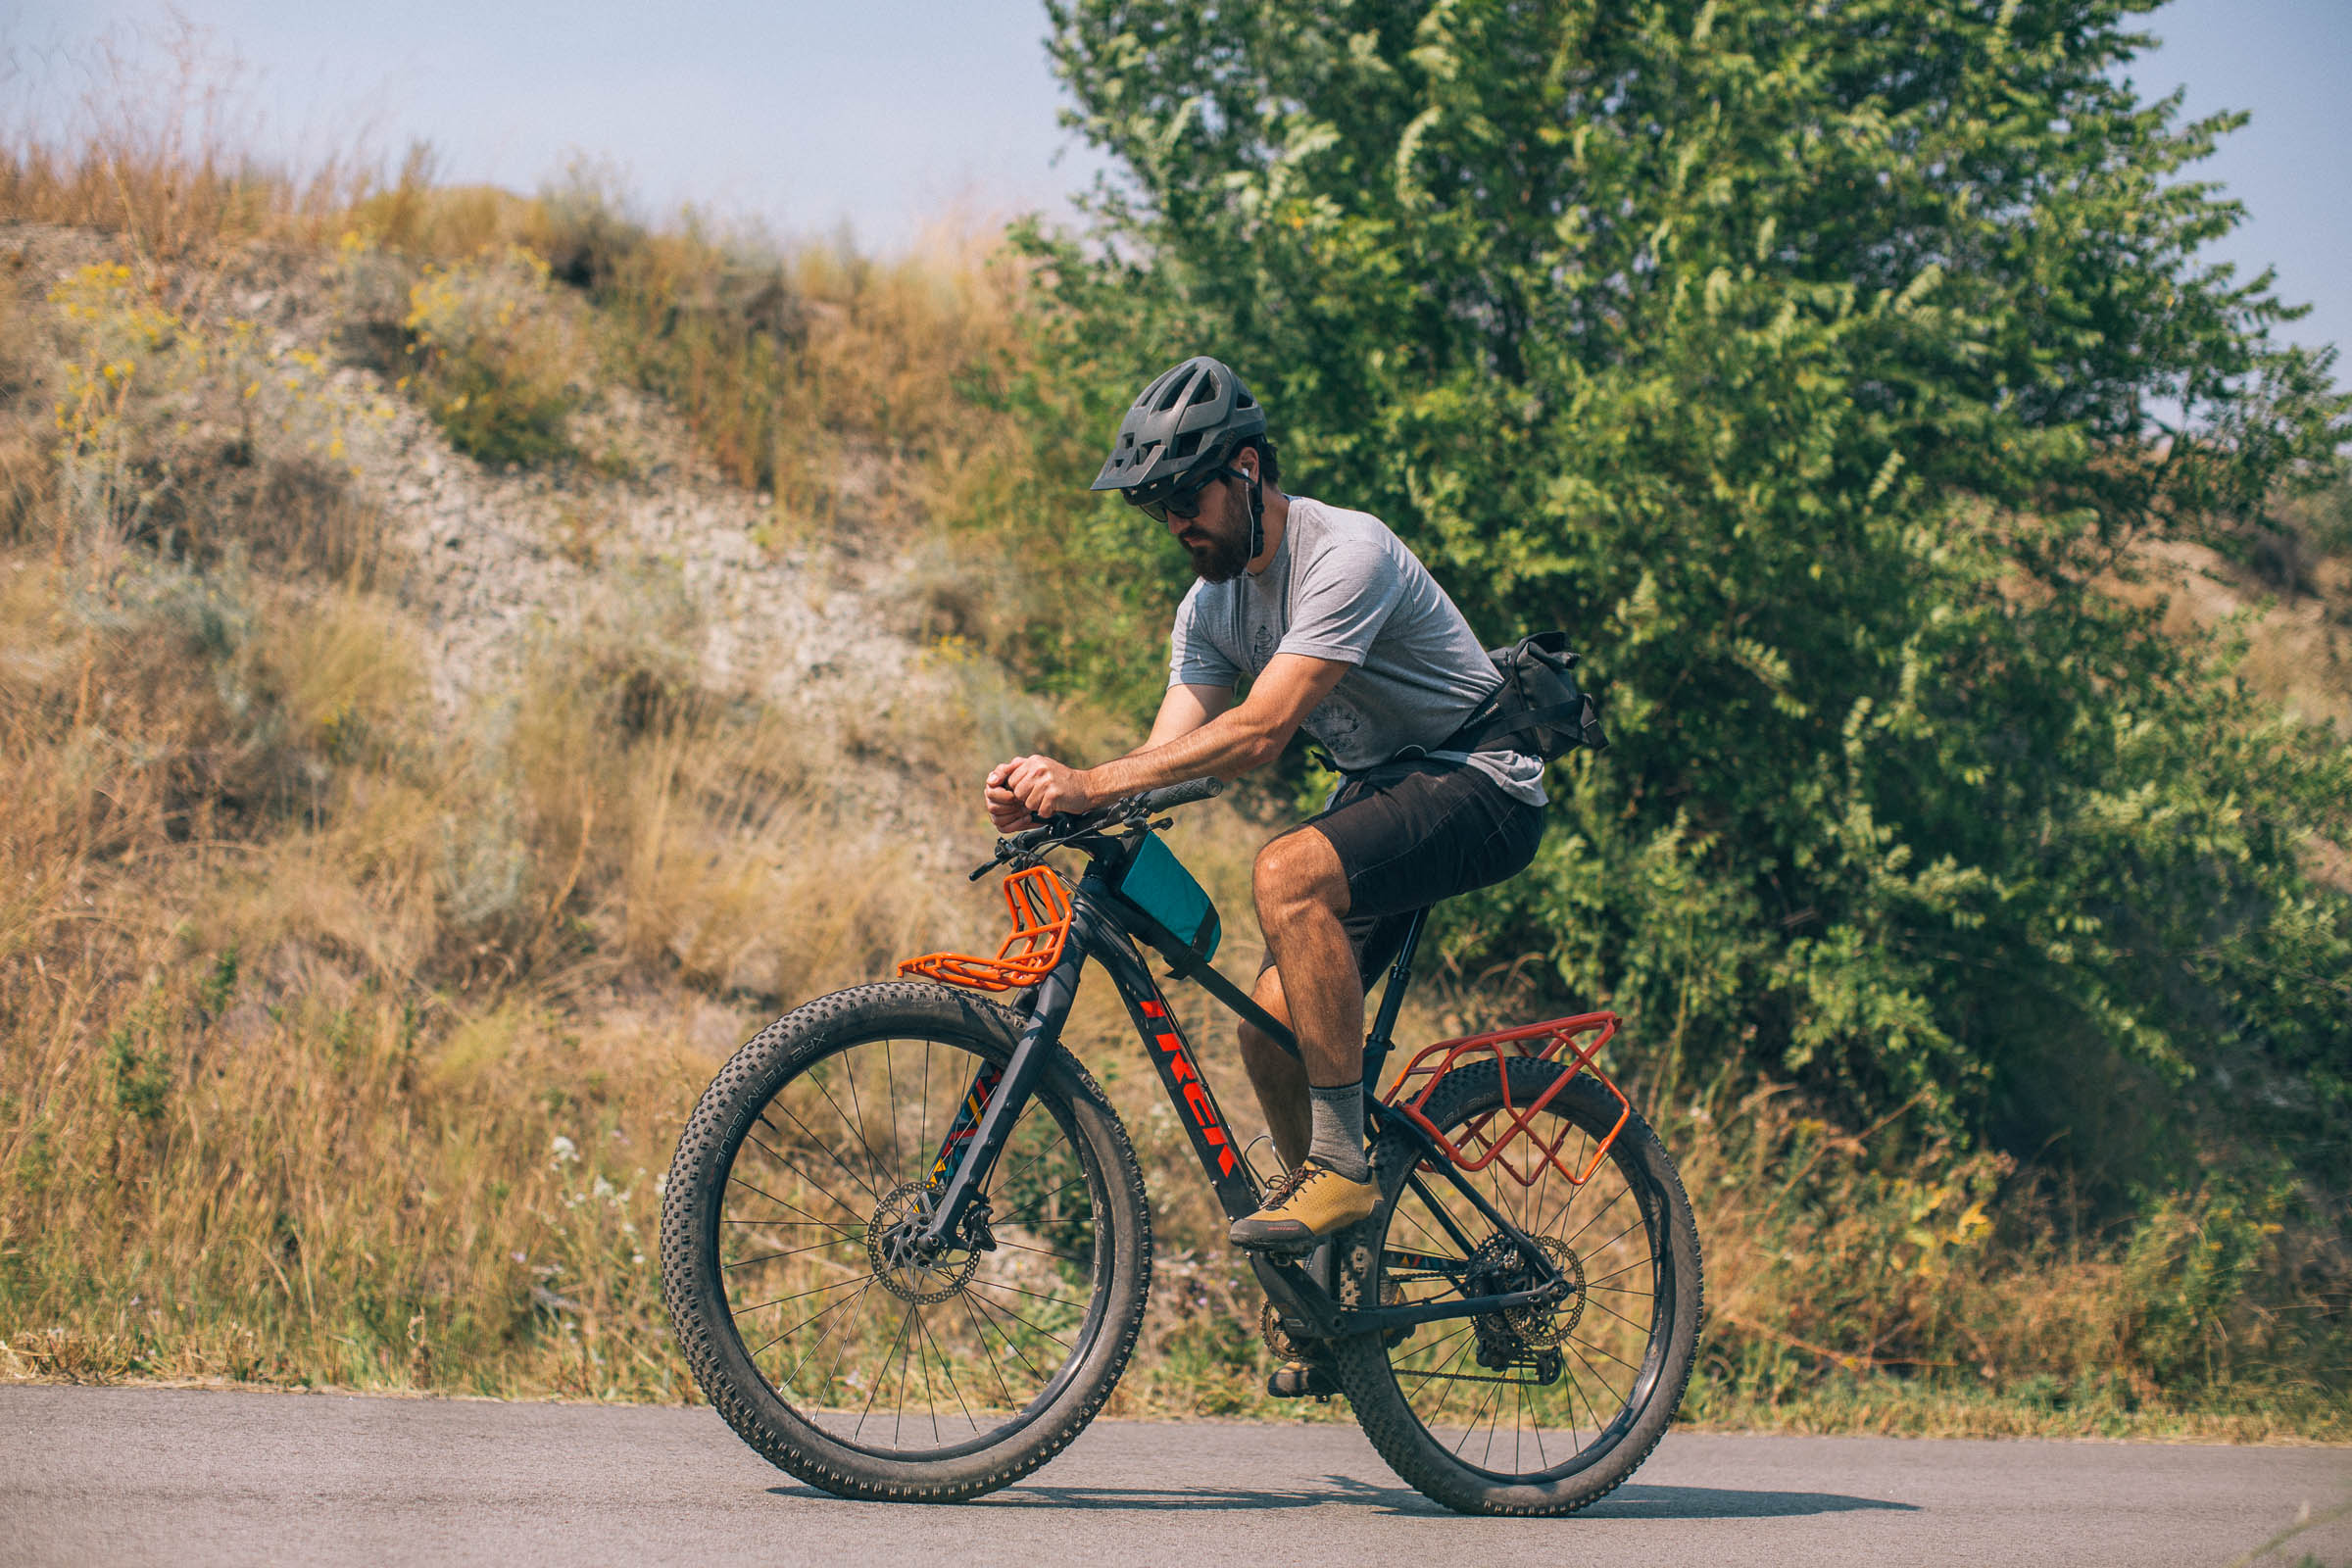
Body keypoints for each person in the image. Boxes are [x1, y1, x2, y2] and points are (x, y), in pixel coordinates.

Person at [985, 357, 1546, 1387]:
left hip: (1485, 779)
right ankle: (1336, 1288)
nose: (1173, 527)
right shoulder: (1210, 609)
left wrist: (1090, 778)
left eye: (1183, 498)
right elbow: (1163, 759)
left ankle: (1339, 1168)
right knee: (1266, 1026)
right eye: (1154, 510)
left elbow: (1259, 733)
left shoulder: (1347, 554)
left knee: (1288, 872)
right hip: (1389, 789)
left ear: (1245, 471)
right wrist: (1063, 797)